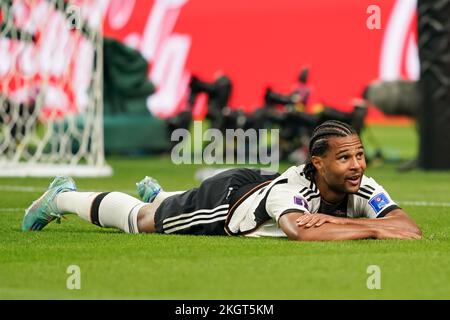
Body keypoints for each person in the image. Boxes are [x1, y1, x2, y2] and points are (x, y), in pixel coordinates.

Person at [22, 121, 422, 241]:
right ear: (317, 163)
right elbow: (301, 233)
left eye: (359, 155)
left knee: (161, 206)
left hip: (256, 186)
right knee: (145, 221)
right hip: (227, 204)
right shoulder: (292, 190)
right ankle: (62, 198)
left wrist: (355, 225)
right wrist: (375, 228)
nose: (357, 165)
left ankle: (165, 195)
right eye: (344, 157)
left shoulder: (362, 185)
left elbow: (409, 229)